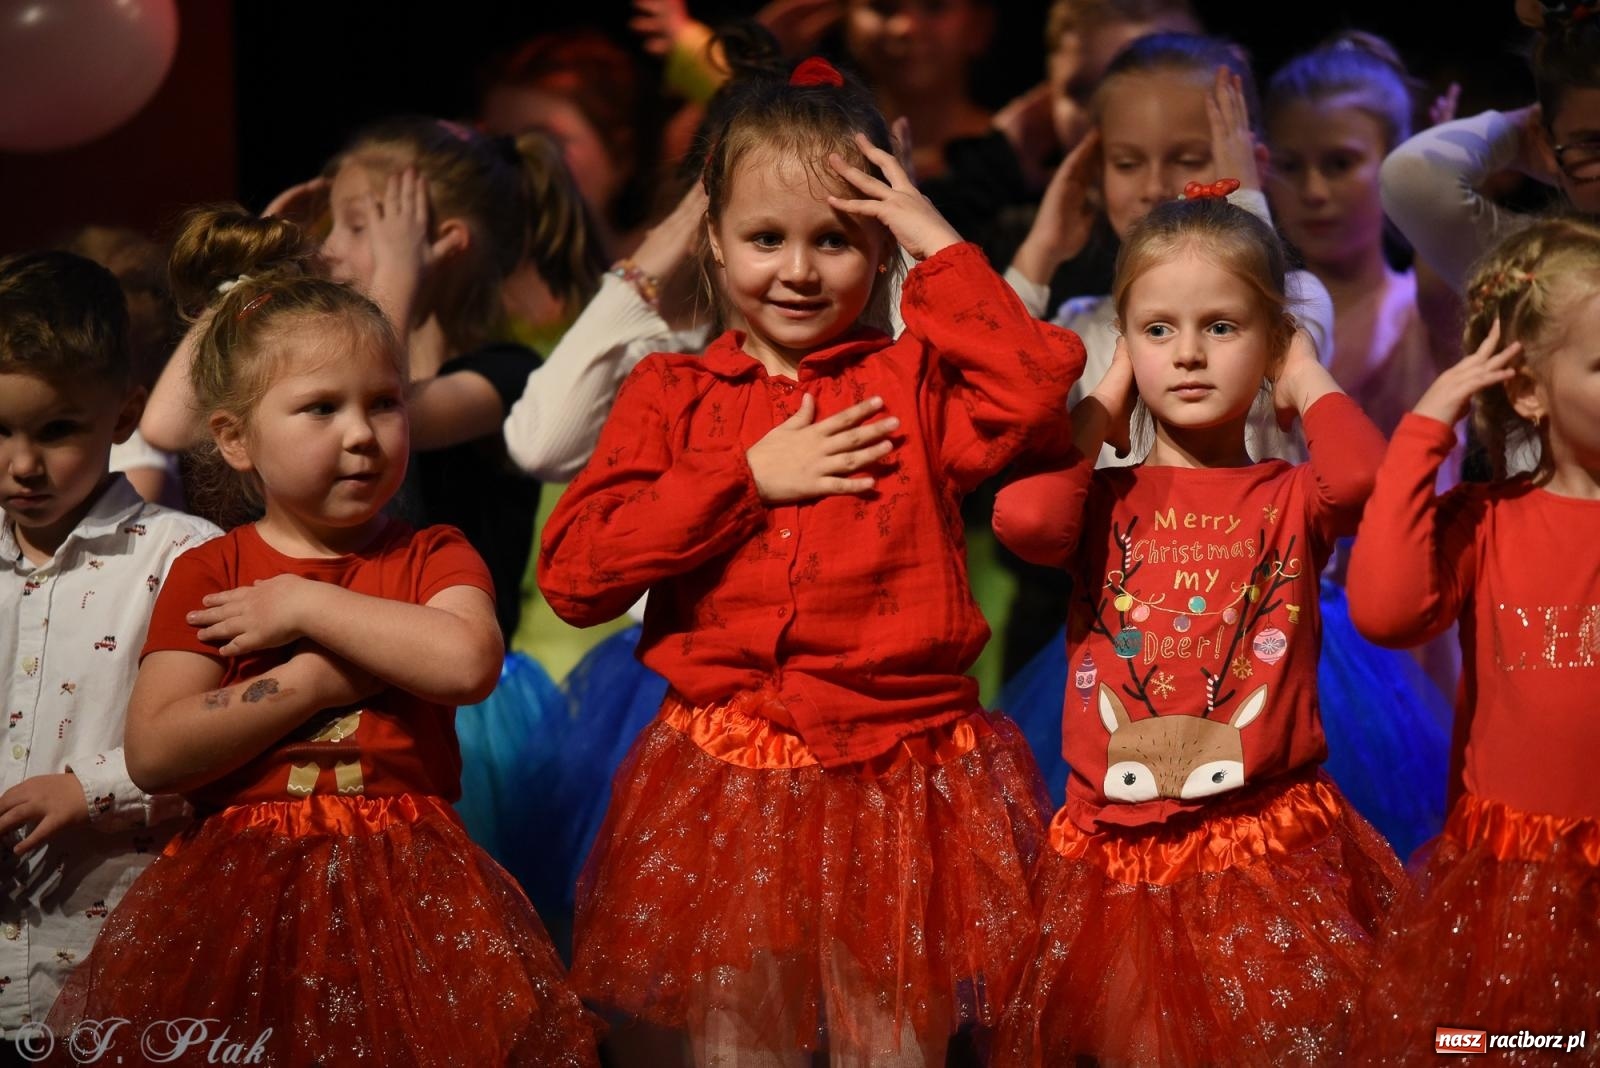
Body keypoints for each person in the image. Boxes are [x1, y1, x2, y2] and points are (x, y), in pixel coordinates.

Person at [539, 58, 1084, 1065]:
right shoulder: (672, 393)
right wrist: (743, 476)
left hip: (897, 775)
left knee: (893, 1039)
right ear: (712, 239)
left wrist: (934, 239)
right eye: (764, 239)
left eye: (833, 240)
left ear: (876, 251)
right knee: (741, 1038)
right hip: (734, 776)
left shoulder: (910, 380)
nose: (796, 270)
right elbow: (576, 576)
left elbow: (1035, 393)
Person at [42, 260, 597, 1067]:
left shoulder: (433, 554)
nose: (362, 433)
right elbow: (156, 750)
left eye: (384, 403)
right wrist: (316, 681)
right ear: (236, 439)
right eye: (321, 409)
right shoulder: (213, 570)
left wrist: (306, 609)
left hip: (408, 888)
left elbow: (467, 660)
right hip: (242, 892)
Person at [991, 193, 1406, 1065]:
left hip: (1263, 843)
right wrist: (1104, 393)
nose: (1186, 353)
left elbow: (1367, 477)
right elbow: (1026, 518)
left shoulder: (1289, 496)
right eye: (1156, 330)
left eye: (1221, 328)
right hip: (1119, 856)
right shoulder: (1099, 499)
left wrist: (1302, 373)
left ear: (1270, 342)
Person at [999, 33, 1336, 797]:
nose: (1155, 186)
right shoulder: (1085, 324)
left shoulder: (1291, 300)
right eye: (1125, 162)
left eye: (1187, 156)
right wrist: (1043, 250)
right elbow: (986, 401)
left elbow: (1290, 330)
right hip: (1129, 638)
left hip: (1257, 633)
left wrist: (1245, 205)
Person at [1347, 217, 1600, 1060]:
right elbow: (1385, 611)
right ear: (1527, 389)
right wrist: (1427, 425)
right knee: (1512, 1048)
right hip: (1516, 888)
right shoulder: (1488, 525)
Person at [0, 251, 217, 1057]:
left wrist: (86, 788)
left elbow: (222, 745)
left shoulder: (182, 558)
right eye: (0, 430)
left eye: (57, 430)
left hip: (121, 967)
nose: (24, 464)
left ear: (124, 416)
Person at [1263, 32, 1461, 858]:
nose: (1313, 191)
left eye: (1341, 163)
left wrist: (1439, 174)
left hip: (1407, 639)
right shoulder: (1250, 324)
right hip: (1279, 634)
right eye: (1292, 165)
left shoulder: (1426, 310)